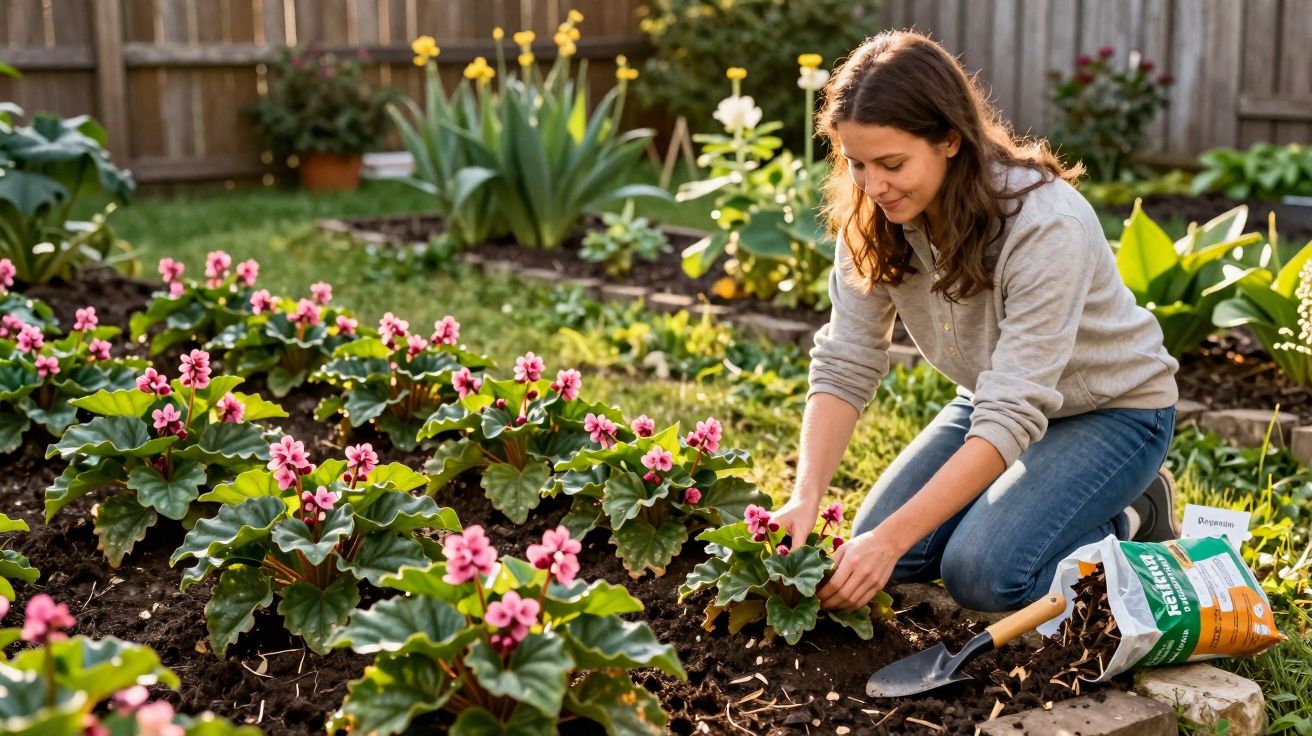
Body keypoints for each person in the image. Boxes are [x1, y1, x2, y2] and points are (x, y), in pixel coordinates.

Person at [772, 30, 1180, 614]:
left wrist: (887, 540)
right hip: (993, 402)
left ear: (950, 140)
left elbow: (1016, 407)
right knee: (895, 552)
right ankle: (1061, 506)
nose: (874, 185)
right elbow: (845, 362)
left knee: (984, 573)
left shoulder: (1043, 224)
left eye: (891, 163)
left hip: (1112, 411)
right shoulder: (873, 217)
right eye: (857, 163)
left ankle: (1132, 516)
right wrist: (805, 498)